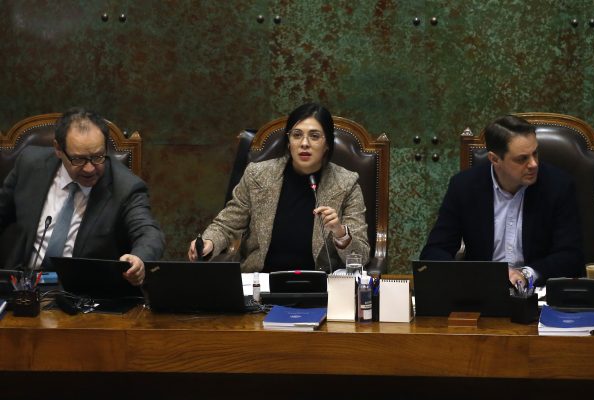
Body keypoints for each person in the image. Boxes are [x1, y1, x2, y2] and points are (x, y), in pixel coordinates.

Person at [188, 102, 370, 272]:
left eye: (314, 136)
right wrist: (209, 242)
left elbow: (360, 258)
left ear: (327, 144)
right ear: (289, 141)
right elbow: (227, 225)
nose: (304, 143)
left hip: (318, 287)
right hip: (261, 284)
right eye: (297, 135)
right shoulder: (257, 175)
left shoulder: (346, 184)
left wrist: (341, 233)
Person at [0, 108, 165, 286]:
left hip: (85, 293)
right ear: (58, 149)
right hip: (23, 287)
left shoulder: (126, 187)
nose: (89, 169)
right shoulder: (30, 165)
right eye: (78, 159)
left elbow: (149, 233)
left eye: (97, 157)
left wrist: (139, 259)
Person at [420, 115, 584, 287]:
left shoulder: (558, 186)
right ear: (495, 159)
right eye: (522, 159)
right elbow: (435, 251)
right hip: (482, 290)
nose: (534, 164)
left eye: (535, 153)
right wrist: (475, 275)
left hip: (538, 291)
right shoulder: (464, 187)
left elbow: (571, 255)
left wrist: (525, 274)